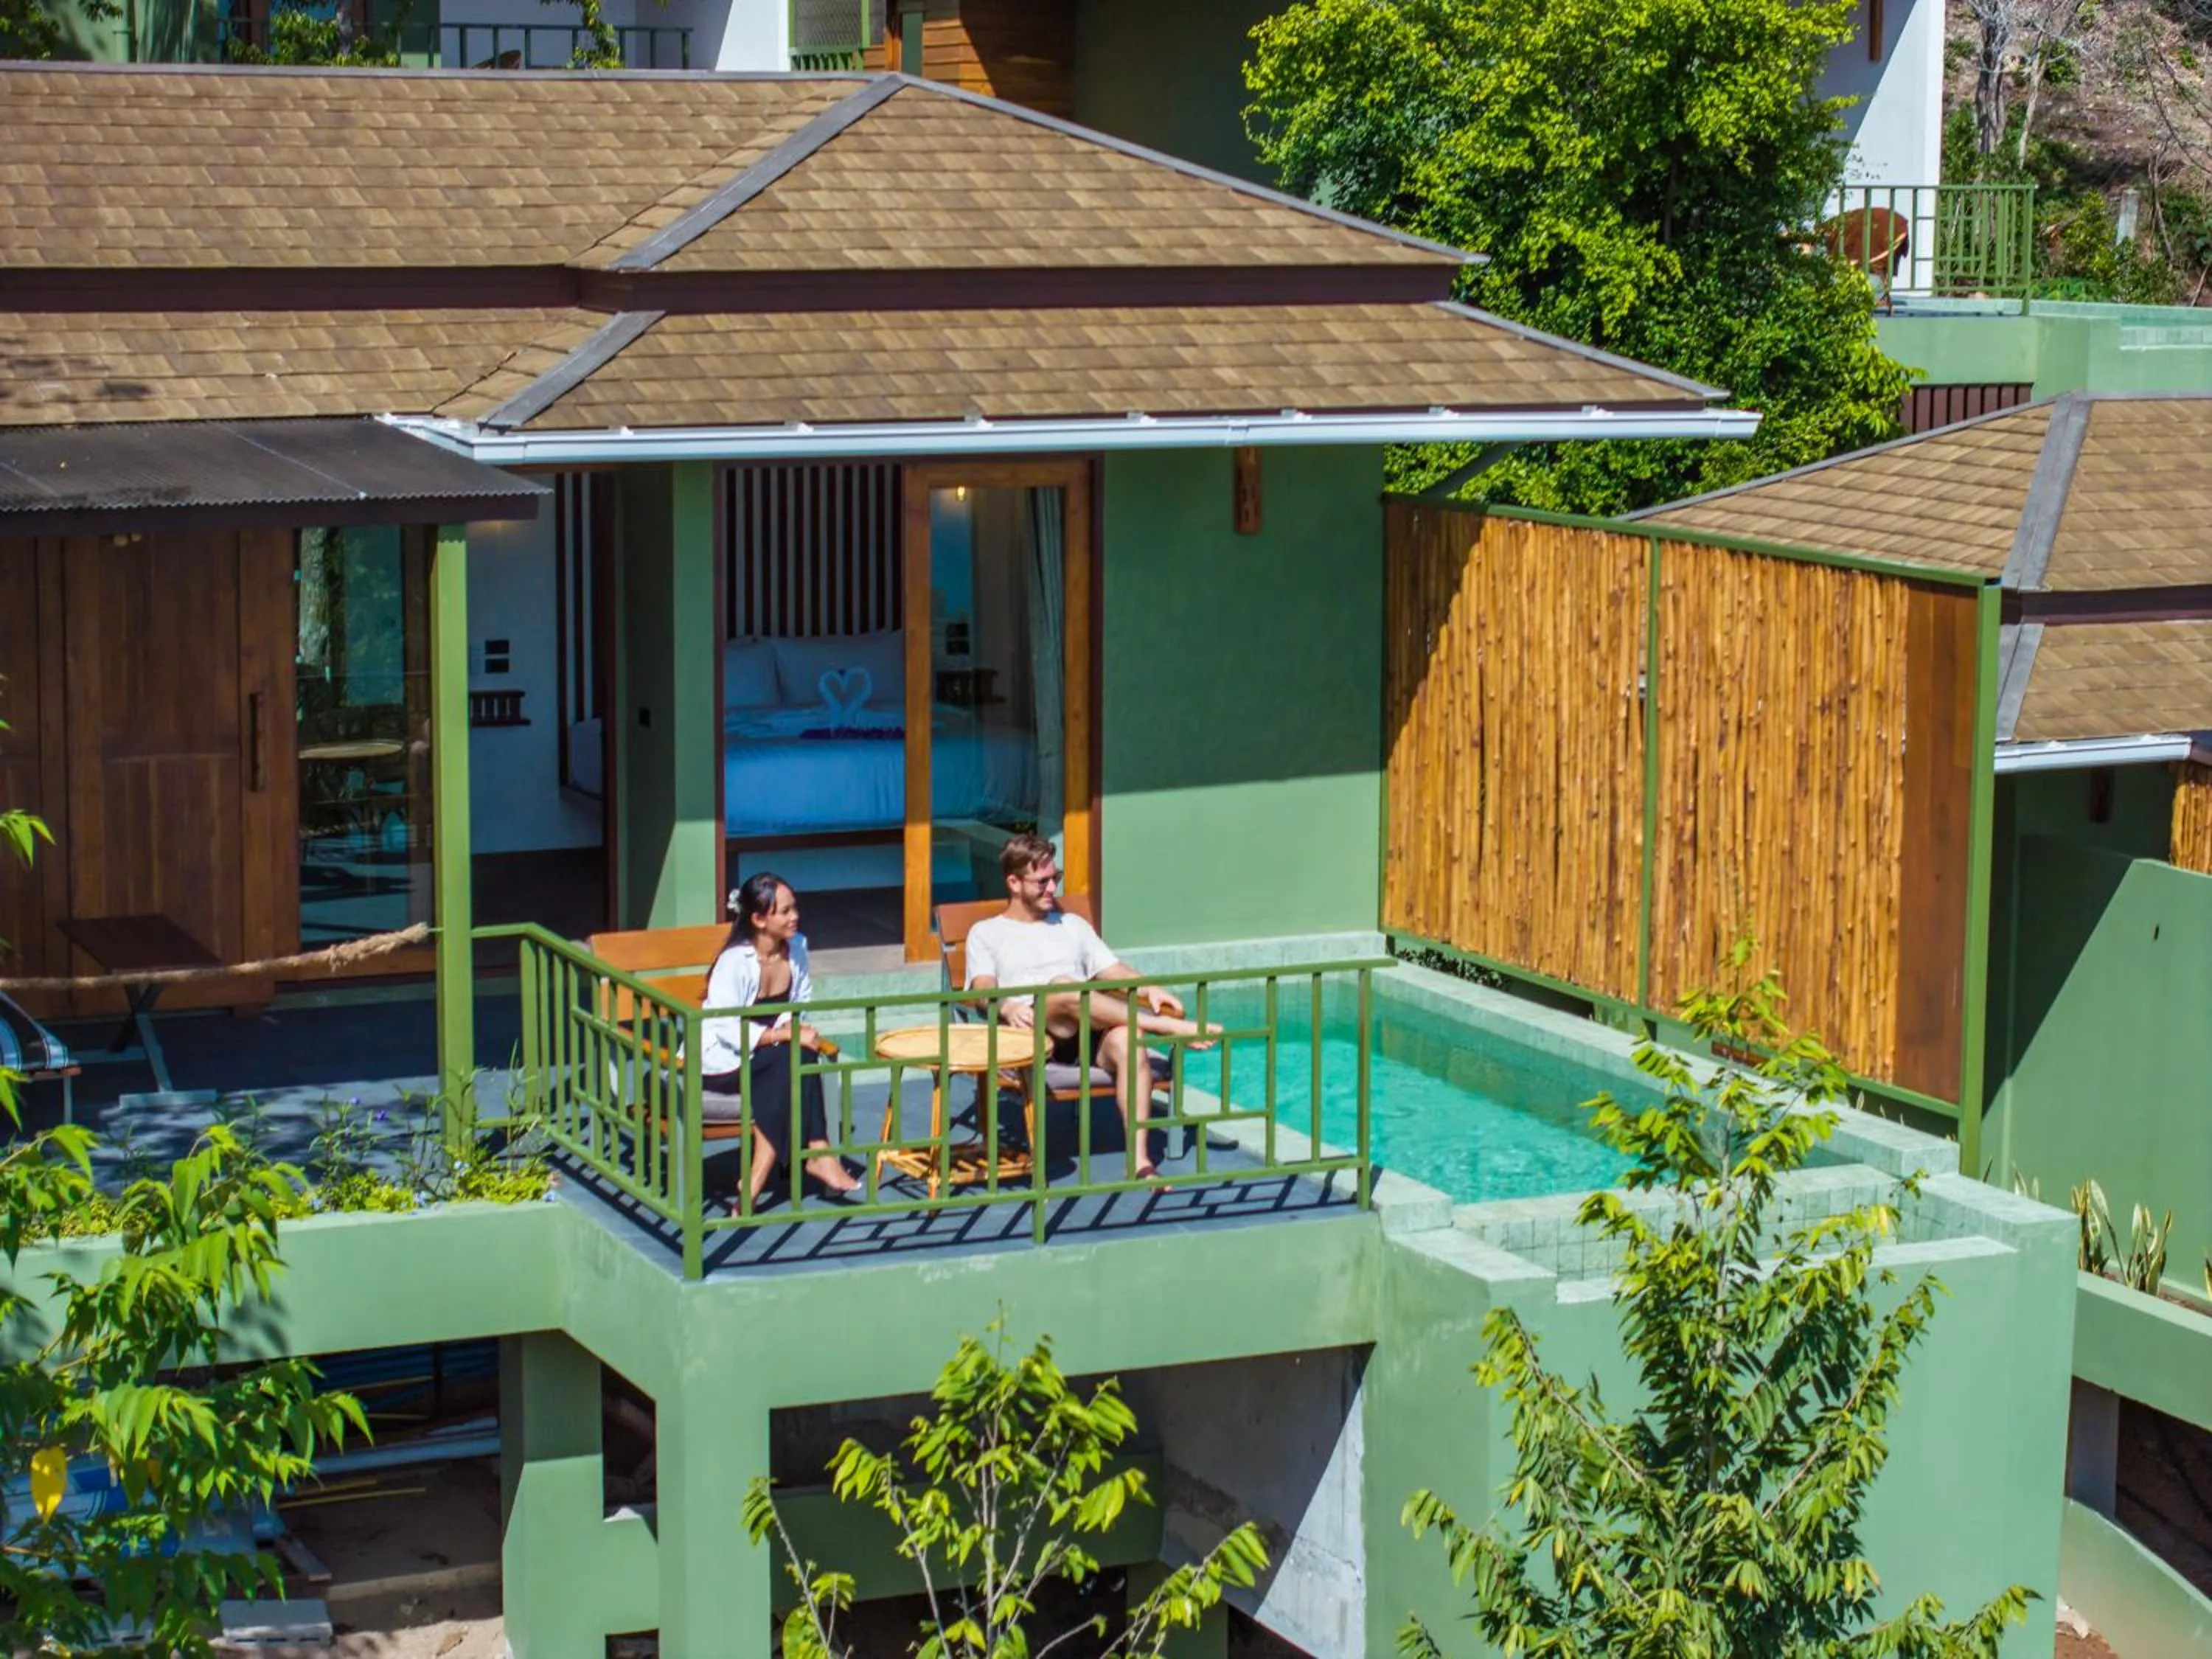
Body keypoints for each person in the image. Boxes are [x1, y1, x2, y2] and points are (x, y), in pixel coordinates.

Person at [964, 832, 1212, 1180]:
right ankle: (1164, 1028)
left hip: (1087, 1035)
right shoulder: (987, 933)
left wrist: (1150, 989)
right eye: (1043, 882)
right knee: (1064, 987)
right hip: (1033, 1039)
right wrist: (1004, 1005)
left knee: (1130, 1041)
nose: (1052, 889)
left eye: (1056, 878)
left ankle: (1140, 1161)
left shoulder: (1072, 926)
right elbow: (981, 989)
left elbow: (1114, 971)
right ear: (1014, 883)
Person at [699, 872, 859, 1208]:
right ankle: (816, 1151)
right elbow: (725, 1028)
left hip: (772, 1058)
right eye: (784, 912)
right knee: (793, 1058)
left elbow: (799, 1001)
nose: (794, 917)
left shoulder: (797, 947)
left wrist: (793, 1030)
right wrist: (782, 1035)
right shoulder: (734, 962)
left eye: (794, 908)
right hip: (726, 1061)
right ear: (758, 919)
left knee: (795, 1056)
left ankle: (762, 1180)